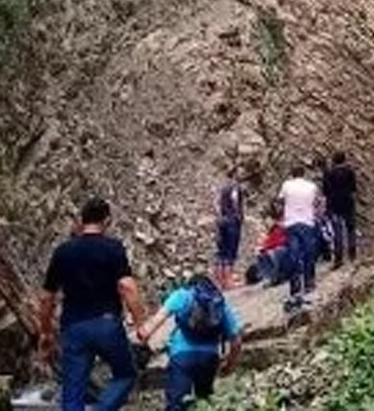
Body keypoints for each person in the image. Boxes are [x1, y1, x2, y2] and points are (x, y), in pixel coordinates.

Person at [38, 198, 148, 411]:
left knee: (72, 391)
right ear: (107, 220)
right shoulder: (113, 248)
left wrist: (46, 332)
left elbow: (46, 298)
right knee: (125, 374)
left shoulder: (63, 251)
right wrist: (140, 323)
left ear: (81, 220)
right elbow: (128, 287)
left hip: (73, 327)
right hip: (106, 324)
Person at [139, 274, 242, 410]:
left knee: (177, 402)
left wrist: (142, 338)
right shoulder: (219, 303)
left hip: (182, 355)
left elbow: (154, 324)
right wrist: (230, 365)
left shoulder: (181, 296)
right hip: (210, 358)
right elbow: (236, 341)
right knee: (204, 401)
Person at [277, 165, 323, 312]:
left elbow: (280, 201)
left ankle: (295, 287)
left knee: (293, 254)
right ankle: (309, 283)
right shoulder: (312, 186)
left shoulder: (286, 185)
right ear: (304, 174)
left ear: (292, 174)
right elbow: (318, 202)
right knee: (309, 253)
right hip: (307, 222)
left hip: (291, 223)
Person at [321, 151, 359, 268]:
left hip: (334, 204)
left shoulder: (329, 173)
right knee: (350, 228)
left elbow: (325, 191)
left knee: (337, 231)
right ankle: (352, 253)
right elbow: (353, 188)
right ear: (344, 159)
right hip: (348, 202)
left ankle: (338, 258)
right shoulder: (350, 171)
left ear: (333, 160)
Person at [213, 171, 244, 289]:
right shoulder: (234, 187)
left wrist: (219, 217)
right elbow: (235, 201)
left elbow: (216, 205)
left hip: (222, 221)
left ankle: (219, 281)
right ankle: (228, 281)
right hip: (232, 221)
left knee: (221, 250)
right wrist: (238, 216)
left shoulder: (221, 188)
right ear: (235, 176)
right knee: (231, 250)